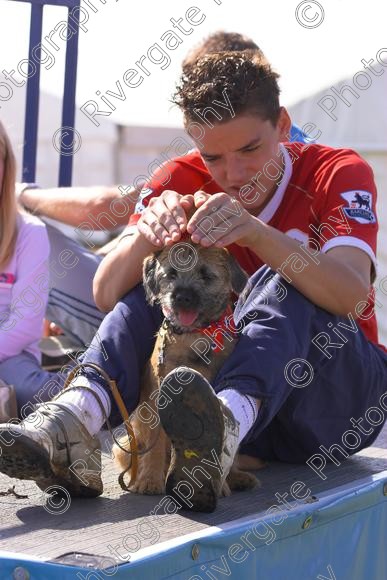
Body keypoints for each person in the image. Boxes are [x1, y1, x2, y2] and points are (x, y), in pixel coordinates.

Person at [1, 49, 385, 513]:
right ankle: (76, 416)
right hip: (236, 418)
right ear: (192, 143)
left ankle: (224, 422)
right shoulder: (179, 178)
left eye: (249, 150)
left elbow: (350, 294)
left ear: (283, 126)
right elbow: (105, 293)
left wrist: (258, 233)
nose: (233, 174)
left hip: (335, 400)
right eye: (213, 157)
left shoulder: (336, 171)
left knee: (283, 280)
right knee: (159, 290)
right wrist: (146, 236)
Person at [16, 32, 311, 347]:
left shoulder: (214, 158)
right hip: (247, 329)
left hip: (229, 333)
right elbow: (134, 221)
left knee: (26, 233)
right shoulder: (291, 147)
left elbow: (112, 204)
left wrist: (21, 195)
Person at [0, 120, 70, 422]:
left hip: (12, 356)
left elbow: (26, 323)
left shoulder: (30, 232)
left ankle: (88, 399)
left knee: (33, 393)